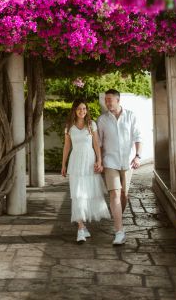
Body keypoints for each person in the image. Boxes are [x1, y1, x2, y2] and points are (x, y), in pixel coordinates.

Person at [97, 88, 142, 245]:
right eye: (106, 99)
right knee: (114, 194)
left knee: (124, 195)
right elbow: (99, 143)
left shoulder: (130, 116)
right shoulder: (102, 120)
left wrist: (138, 156)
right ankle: (119, 231)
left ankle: (117, 216)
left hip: (128, 162)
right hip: (110, 161)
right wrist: (99, 161)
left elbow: (137, 137)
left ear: (118, 100)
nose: (107, 102)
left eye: (110, 99)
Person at [61, 100, 110, 243]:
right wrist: (63, 164)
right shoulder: (69, 127)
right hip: (76, 163)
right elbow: (66, 147)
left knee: (88, 194)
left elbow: (96, 144)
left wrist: (99, 161)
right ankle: (80, 228)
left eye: (84, 108)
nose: (82, 111)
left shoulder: (91, 125)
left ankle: (84, 227)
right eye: (79, 109)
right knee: (77, 194)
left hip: (89, 163)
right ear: (74, 110)